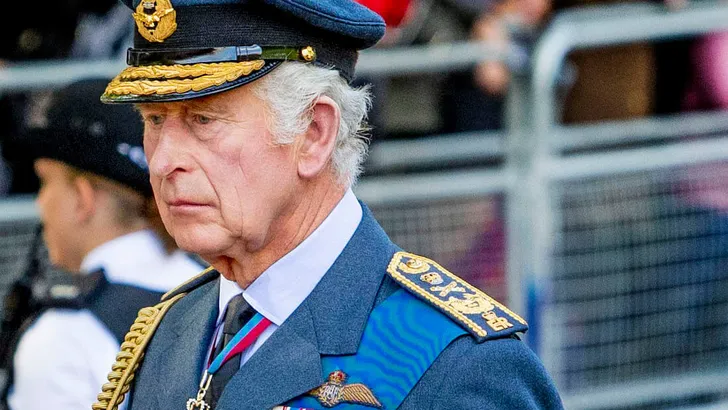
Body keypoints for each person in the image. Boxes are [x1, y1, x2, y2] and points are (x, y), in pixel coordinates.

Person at [92, 1, 563, 409]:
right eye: (154, 120)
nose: (164, 161)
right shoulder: (172, 328)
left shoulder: (456, 365)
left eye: (203, 119)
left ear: (314, 134)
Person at [1, 77, 205, 410]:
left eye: (46, 183)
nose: (41, 203)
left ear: (82, 198)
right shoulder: (219, 293)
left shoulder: (61, 338)